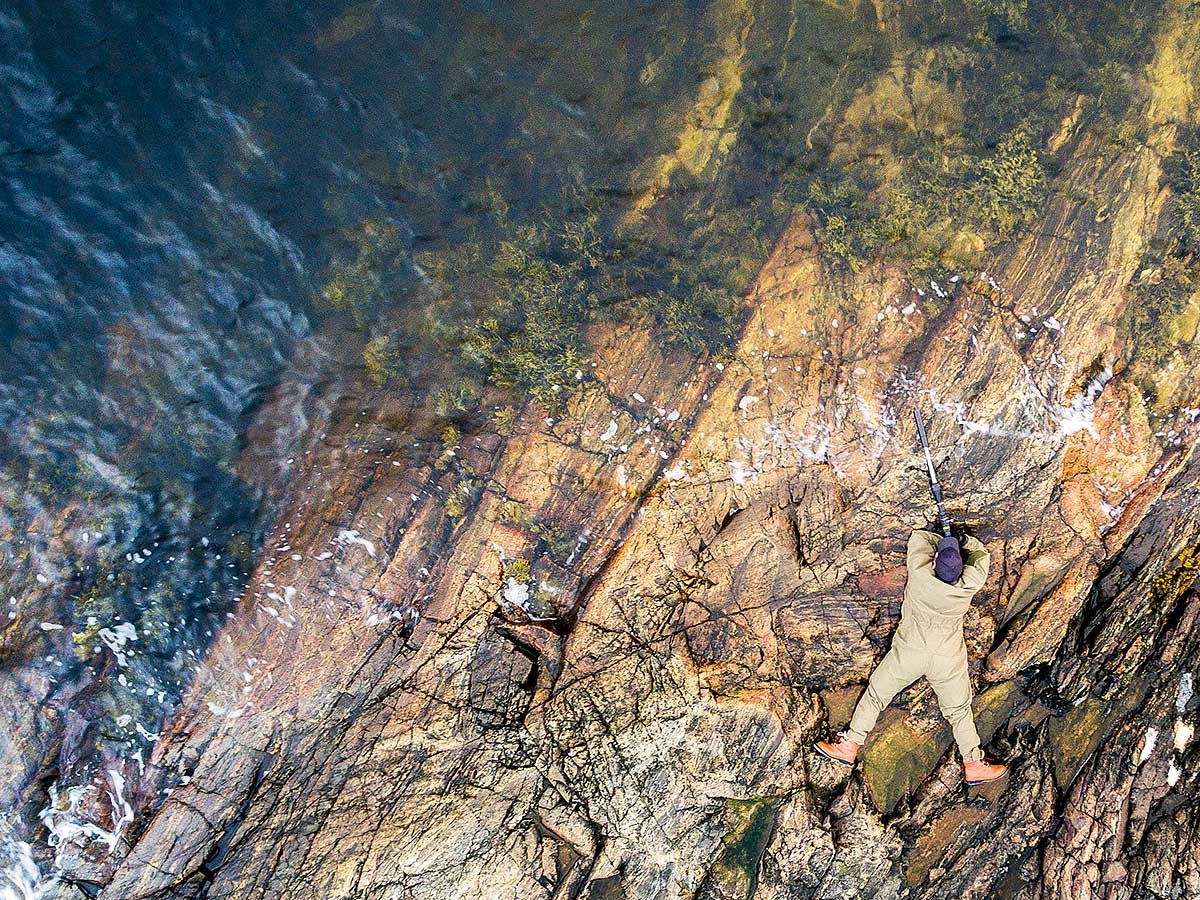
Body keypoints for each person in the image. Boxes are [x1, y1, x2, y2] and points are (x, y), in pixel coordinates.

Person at [814, 527, 1008, 786]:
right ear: (961, 572)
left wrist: (946, 541)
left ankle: (849, 746)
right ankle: (974, 764)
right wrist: (963, 541)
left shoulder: (920, 574)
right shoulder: (968, 585)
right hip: (946, 657)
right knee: (959, 712)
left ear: (935, 562)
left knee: (877, 695)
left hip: (910, 652)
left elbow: (920, 537)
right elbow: (981, 555)